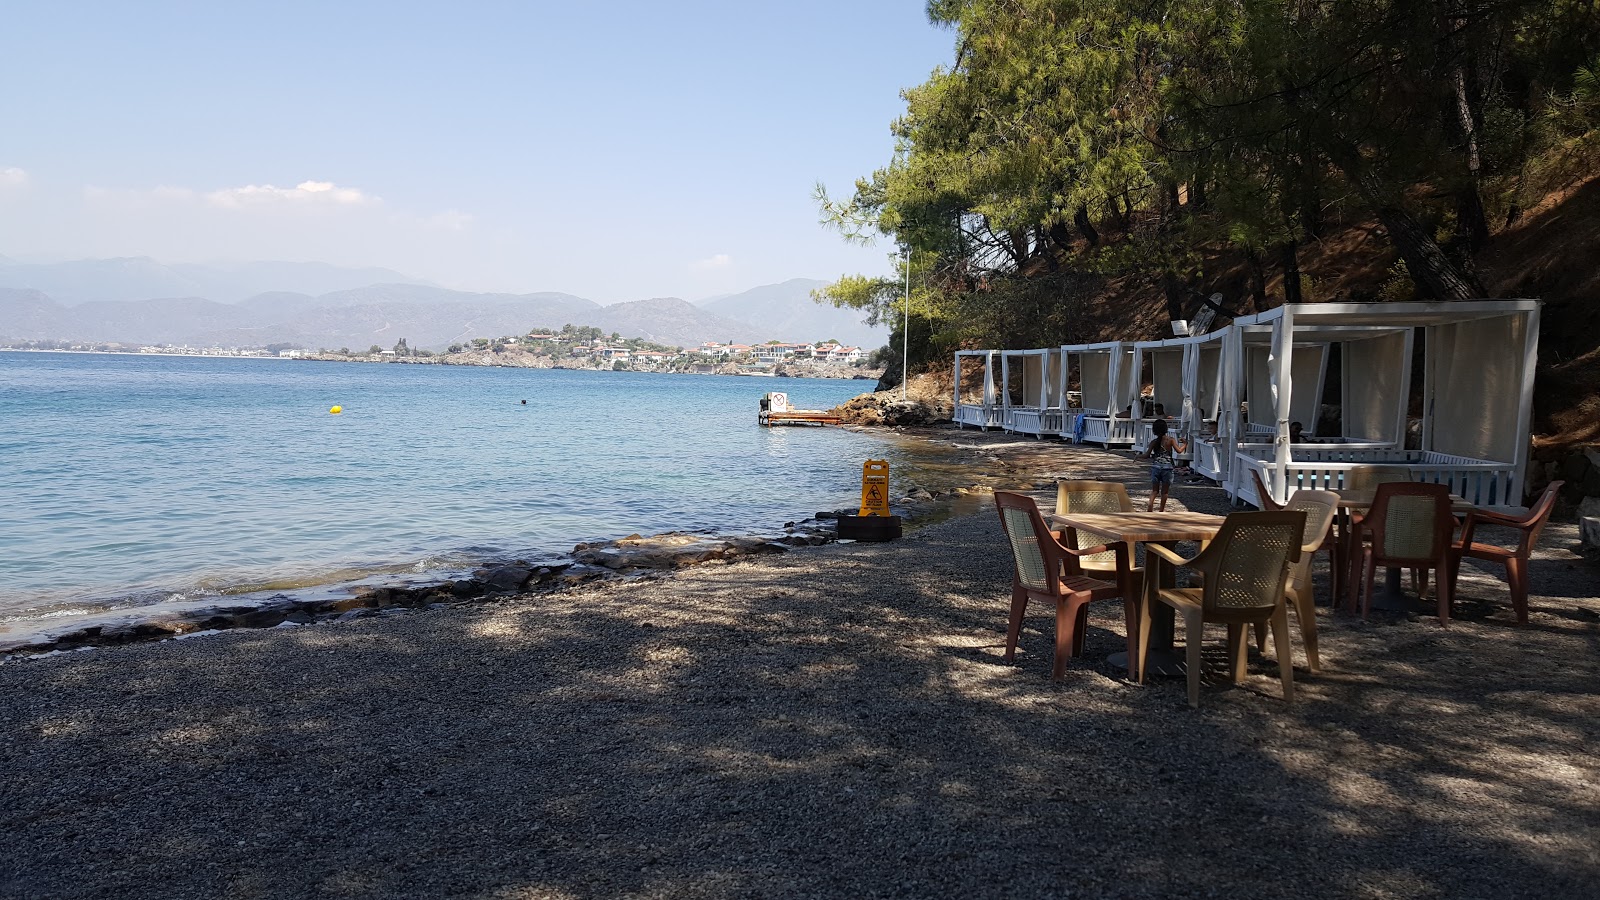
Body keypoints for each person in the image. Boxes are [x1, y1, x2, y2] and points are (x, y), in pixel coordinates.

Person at [1142, 419, 1187, 511]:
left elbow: (1146, 455)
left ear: (1154, 430)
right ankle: (1161, 510)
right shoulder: (1170, 440)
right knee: (1165, 491)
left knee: (1155, 490)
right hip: (1167, 468)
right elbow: (1179, 451)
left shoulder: (1154, 442)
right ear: (1166, 429)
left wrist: (1138, 456)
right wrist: (1185, 444)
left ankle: (1150, 506)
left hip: (1156, 467)